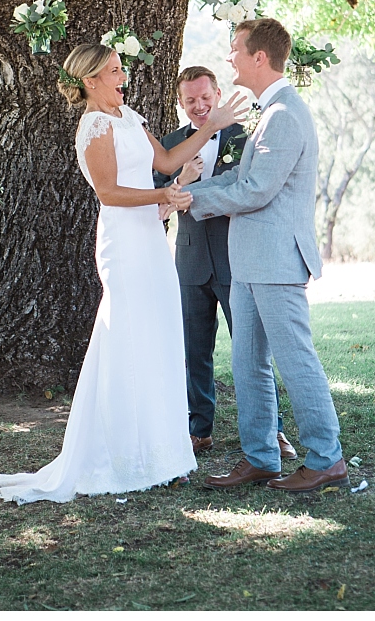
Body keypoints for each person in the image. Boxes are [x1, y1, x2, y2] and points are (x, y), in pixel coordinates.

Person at [0, 43, 246, 503]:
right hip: (124, 244)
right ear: (91, 80)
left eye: (120, 67)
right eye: (113, 70)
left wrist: (212, 126)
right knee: (130, 338)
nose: (122, 75)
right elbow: (109, 193)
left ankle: (165, 454)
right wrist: (165, 197)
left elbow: (165, 164)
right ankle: (127, 454)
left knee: (160, 337)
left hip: (149, 239)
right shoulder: (94, 125)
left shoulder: (129, 116)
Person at [183, 18, 347, 493]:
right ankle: (260, 458)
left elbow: (255, 190)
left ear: (259, 57)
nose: (229, 57)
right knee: (247, 362)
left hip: (276, 262)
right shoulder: (268, 112)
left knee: (296, 360)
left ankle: (326, 458)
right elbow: (237, 181)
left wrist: (191, 200)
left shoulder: (284, 114)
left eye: (235, 49)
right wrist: (188, 190)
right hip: (250, 262)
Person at [155, 66, 295, 459]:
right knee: (194, 351)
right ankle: (199, 429)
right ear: (180, 103)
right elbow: (159, 205)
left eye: (205, 98)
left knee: (252, 352)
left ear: (218, 94)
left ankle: (274, 430)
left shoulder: (248, 136)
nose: (199, 107)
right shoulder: (169, 148)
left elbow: (253, 190)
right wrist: (179, 179)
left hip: (239, 261)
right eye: (190, 101)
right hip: (190, 262)